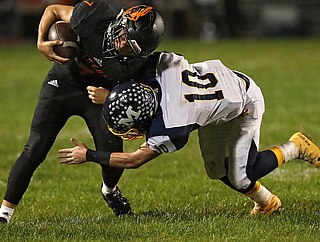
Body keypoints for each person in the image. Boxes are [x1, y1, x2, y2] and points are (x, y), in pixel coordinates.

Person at [57, 52, 320, 215]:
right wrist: (114, 97)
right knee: (217, 170)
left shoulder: (172, 127)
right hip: (216, 98)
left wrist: (89, 154)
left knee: (241, 177)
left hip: (243, 104)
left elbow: (134, 160)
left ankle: (296, 148)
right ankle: (267, 203)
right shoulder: (158, 70)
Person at [0, 0, 165, 224]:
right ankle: (4, 214)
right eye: (125, 36)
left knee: (112, 152)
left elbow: (137, 98)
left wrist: (108, 99)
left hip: (99, 96)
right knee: (36, 147)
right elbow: (54, 10)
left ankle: (109, 190)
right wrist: (40, 40)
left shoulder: (140, 64)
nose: (122, 44)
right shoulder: (95, 17)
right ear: (121, 21)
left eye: (132, 46)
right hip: (63, 83)